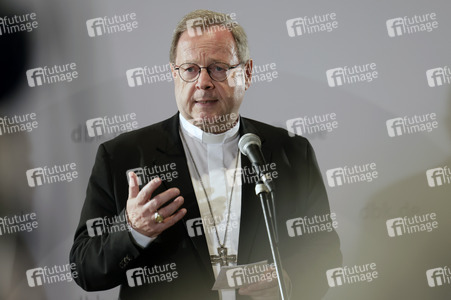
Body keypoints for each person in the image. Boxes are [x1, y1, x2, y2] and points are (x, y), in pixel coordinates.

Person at [70, 9, 342, 300]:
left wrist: (288, 280)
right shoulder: (122, 157)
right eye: (189, 69)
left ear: (247, 73)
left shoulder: (292, 152)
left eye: (218, 68)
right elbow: (84, 269)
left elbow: (324, 252)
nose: (203, 83)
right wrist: (134, 230)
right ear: (173, 74)